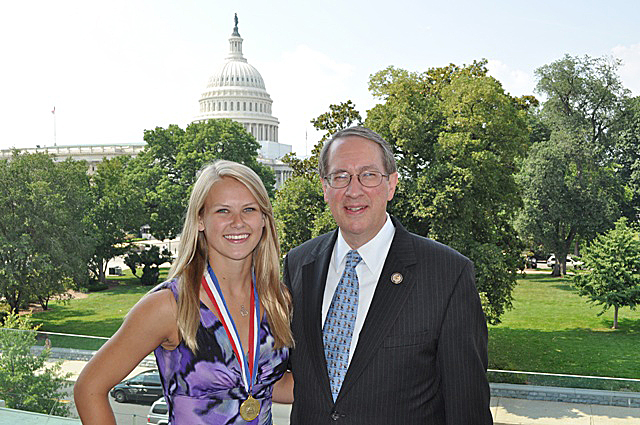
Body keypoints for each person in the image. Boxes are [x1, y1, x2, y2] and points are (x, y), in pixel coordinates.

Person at [283, 126, 492, 424]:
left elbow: (467, 408)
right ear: (325, 187)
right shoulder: (298, 264)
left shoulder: (447, 275)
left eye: (368, 175)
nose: (353, 191)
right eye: (340, 177)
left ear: (391, 184)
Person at [75, 160, 294, 425]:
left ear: (264, 219)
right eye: (223, 211)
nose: (238, 222)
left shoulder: (277, 299)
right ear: (200, 219)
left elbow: (269, 385)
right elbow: (89, 388)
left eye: (248, 209)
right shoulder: (170, 305)